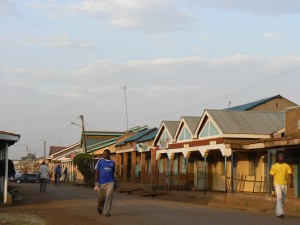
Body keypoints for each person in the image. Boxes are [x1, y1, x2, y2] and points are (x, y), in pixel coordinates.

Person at [269, 152, 293, 218]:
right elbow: (271, 175)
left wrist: (291, 182)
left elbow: (290, 174)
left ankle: (278, 212)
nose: (282, 157)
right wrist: (271, 185)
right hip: (277, 184)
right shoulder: (275, 166)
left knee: (282, 199)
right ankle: (280, 212)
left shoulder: (286, 165)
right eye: (280, 156)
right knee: (279, 197)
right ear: (278, 158)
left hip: (284, 184)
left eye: (283, 156)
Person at [94, 149, 115, 217]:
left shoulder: (112, 162)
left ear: (109, 154)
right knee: (100, 198)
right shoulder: (100, 161)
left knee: (109, 196)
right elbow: (97, 172)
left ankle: (106, 211)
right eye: (103, 154)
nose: (104, 155)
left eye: (105, 154)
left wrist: (114, 181)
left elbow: (113, 172)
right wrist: (96, 183)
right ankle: (100, 206)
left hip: (110, 182)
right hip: (101, 182)